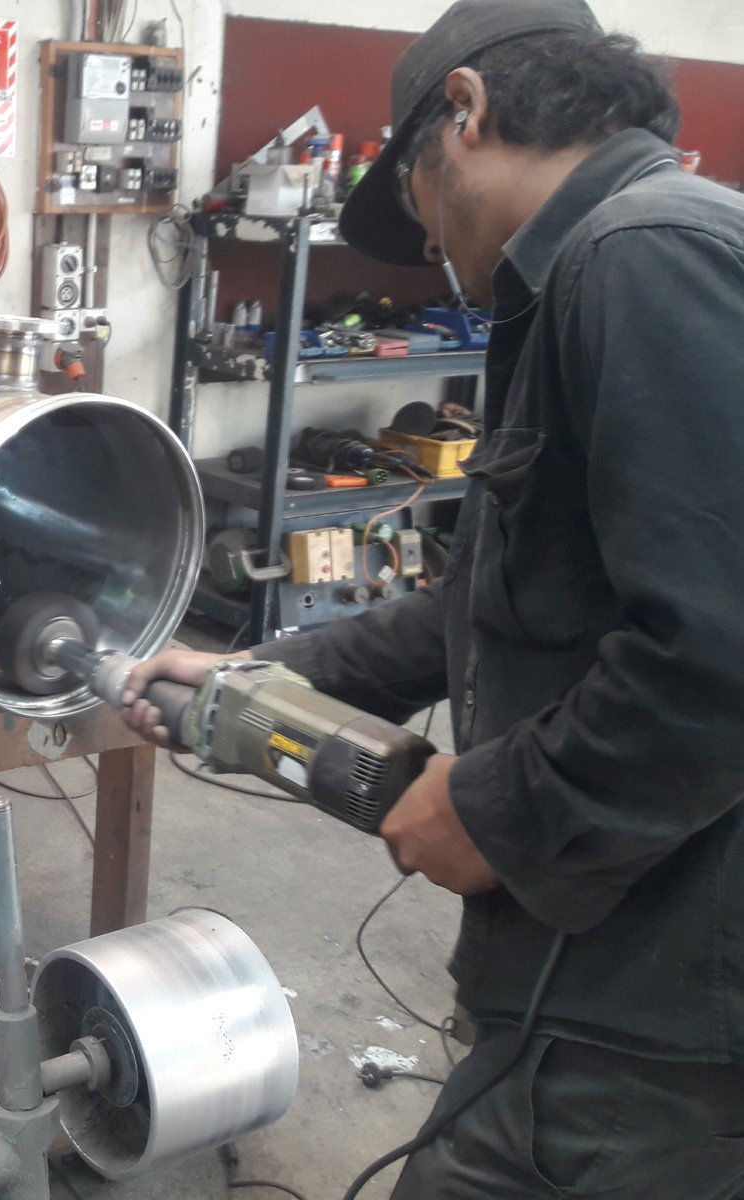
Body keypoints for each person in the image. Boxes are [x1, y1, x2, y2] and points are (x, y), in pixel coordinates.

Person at [125, 2, 744, 1196]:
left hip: (657, 1007)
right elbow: (488, 607)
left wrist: (501, 810)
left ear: (465, 110)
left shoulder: (644, 256)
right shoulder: (612, 264)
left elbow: (722, 648)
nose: (431, 250)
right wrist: (262, 675)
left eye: (414, 204)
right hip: (599, 968)